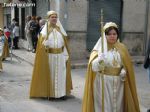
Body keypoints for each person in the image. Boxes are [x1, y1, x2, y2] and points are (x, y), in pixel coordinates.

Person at [82, 22, 140, 112]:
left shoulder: (122, 48)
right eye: (109, 34)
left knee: (118, 106)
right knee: (105, 107)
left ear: (117, 35)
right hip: (103, 83)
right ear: (104, 35)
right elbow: (93, 67)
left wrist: (124, 71)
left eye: (114, 34)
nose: (112, 36)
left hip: (119, 83)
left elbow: (126, 65)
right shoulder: (99, 49)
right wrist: (100, 61)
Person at [30, 11, 72, 99]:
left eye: (55, 17)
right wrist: (44, 44)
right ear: (48, 19)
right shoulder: (44, 32)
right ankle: (51, 94)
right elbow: (40, 47)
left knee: (61, 75)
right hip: (50, 56)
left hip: (60, 56)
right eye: (52, 17)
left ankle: (61, 94)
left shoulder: (60, 30)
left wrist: (66, 55)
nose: (54, 19)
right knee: (51, 75)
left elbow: (65, 44)